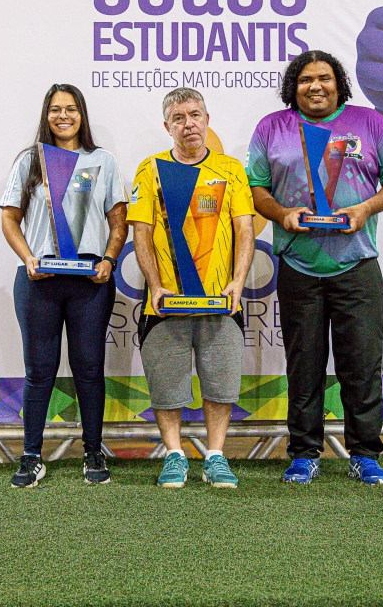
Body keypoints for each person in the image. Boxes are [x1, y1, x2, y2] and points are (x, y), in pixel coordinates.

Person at [247, 50, 383, 485]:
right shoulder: (271, 128)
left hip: (356, 264)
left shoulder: (371, 123)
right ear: (293, 87)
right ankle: (304, 454)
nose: (315, 86)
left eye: (324, 78)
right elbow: (257, 188)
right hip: (298, 265)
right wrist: (282, 214)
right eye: (305, 80)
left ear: (338, 83)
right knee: (304, 365)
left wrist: (365, 208)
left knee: (362, 364)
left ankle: (365, 454)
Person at [127, 87, 255, 489]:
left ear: (207, 120)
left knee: (221, 384)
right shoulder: (150, 169)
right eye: (178, 118)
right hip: (166, 304)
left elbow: (245, 229)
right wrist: (155, 285)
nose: (188, 124)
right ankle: (174, 455)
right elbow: (141, 233)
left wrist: (237, 282)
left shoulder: (231, 169)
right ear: (168, 127)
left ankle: (215, 456)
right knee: (167, 386)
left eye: (195, 115)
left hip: (221, 301)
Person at [0, 84, 127, 487]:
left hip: (89, 279)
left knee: (89, 368)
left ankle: (93, 451)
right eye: (55, 110)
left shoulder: (102, 161)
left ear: (81, 114)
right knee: (39, 370)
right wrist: (28, 257)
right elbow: (9, 218)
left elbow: (118, 221)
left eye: (71, 109)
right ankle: (31, 456)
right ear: (46, 115)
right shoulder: (29, 161)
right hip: (39, 279)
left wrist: (109, 260)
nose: (63, 116)